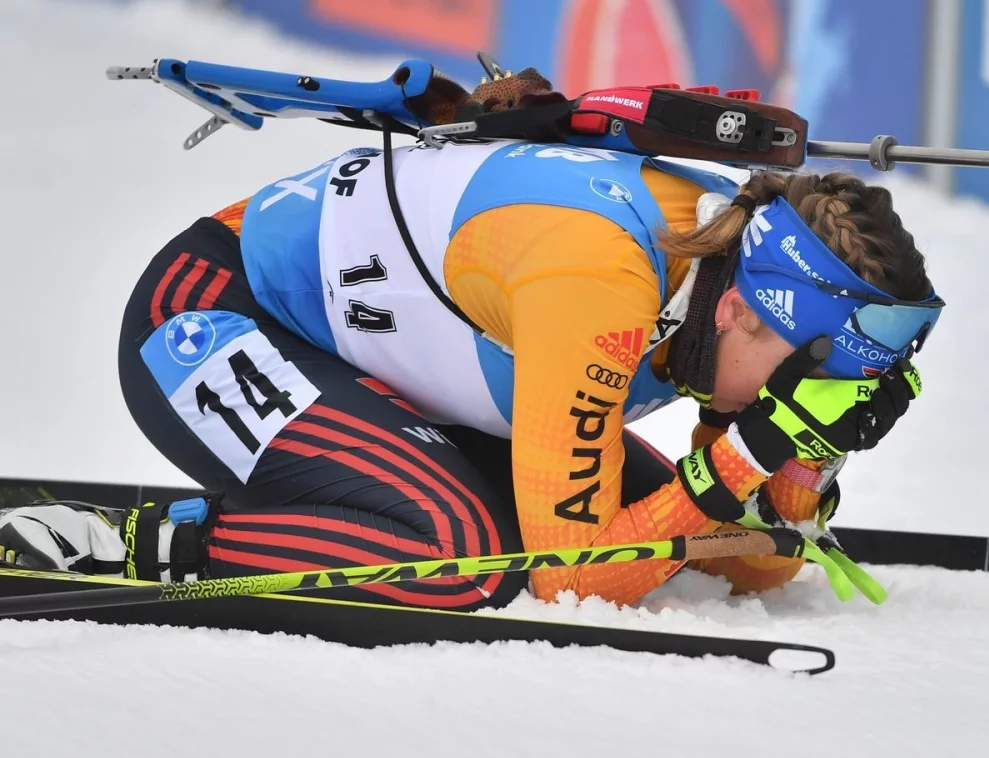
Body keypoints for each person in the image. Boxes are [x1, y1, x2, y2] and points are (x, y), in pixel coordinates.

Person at [0, 135, 940, 611]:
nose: (793, 400)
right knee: (461, 557)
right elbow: (573, 579)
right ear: (738, 312)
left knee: (679, 534)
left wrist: (805, 454)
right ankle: (140, 543)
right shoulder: (603, 283)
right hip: (209, 313)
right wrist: (749, 452)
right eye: (802, 380)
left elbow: (754, 558)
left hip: (378, 358)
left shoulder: (725, 276)